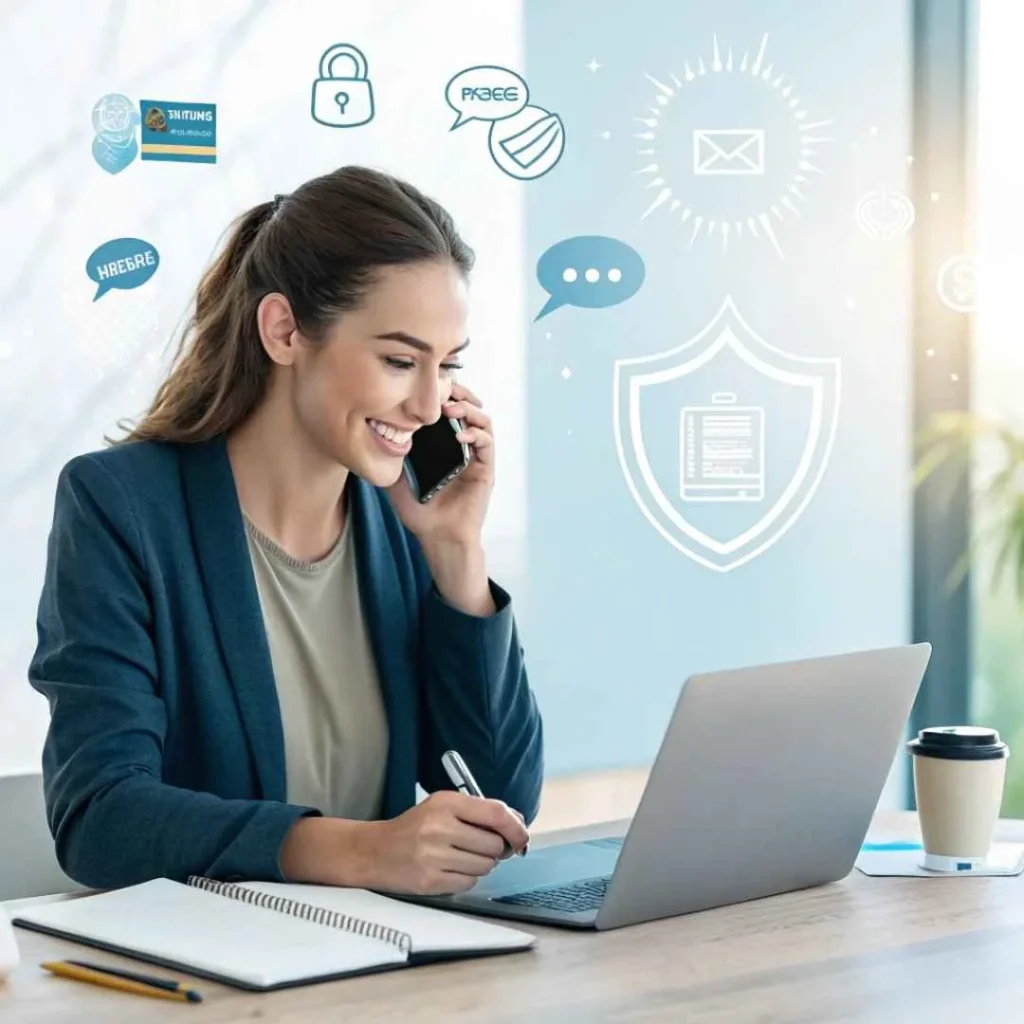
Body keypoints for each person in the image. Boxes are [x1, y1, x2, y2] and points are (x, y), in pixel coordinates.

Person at [28, 165, 543, 896]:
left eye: (447, 365)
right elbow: (100, 818)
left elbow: (503, 801)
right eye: (400, 361)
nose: (430, 406)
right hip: (212, 981)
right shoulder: (123, 507)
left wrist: (457, 553)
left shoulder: (404, 523)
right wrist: (363, 853)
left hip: (390, 971)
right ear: (283, 331)